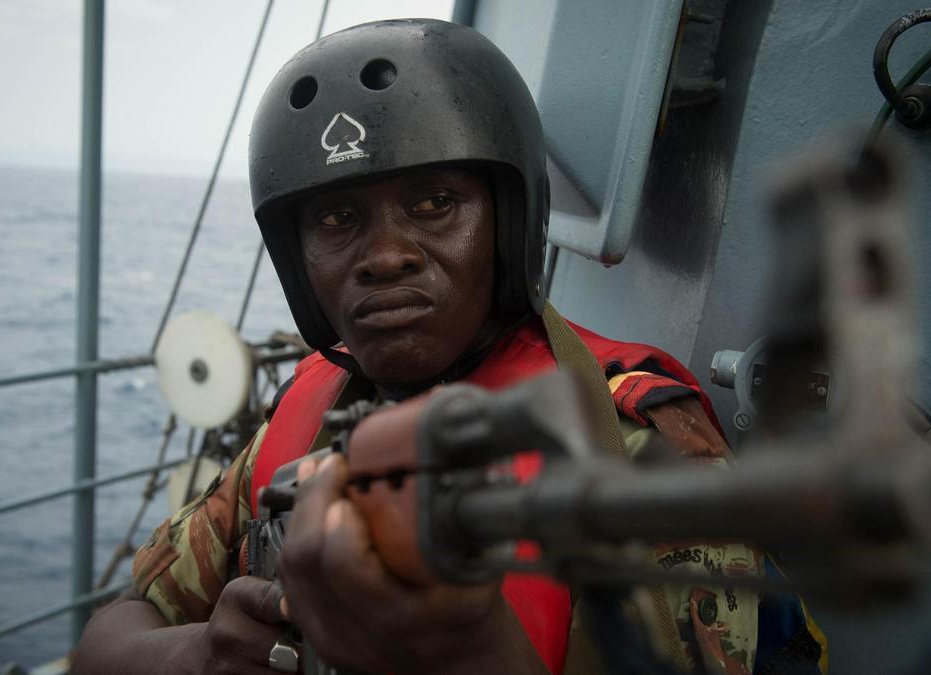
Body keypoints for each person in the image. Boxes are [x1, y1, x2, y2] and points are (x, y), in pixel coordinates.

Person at [73, 19, 825, 675]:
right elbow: (111, 632)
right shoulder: (303, 418)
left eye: (435, 204)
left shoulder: (640, 445)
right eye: (336, 219)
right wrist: (195, 654)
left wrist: (465, 643)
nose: (385, 256)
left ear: (507, 222)